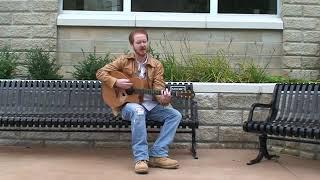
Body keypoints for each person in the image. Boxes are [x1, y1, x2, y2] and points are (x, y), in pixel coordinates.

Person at [96, 29, 182, 174]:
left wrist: (164, 99)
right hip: (128, 106)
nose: (142, 45)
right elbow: (100, 73)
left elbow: (159, 88)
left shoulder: (156, 65)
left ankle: (158, 153)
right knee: (138, 110)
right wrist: (116, 82)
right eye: (138, 42)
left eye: (144, 41)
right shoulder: (124, 60)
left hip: (151, 105)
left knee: (175, 115)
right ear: (132, 44)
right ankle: (141, 158)